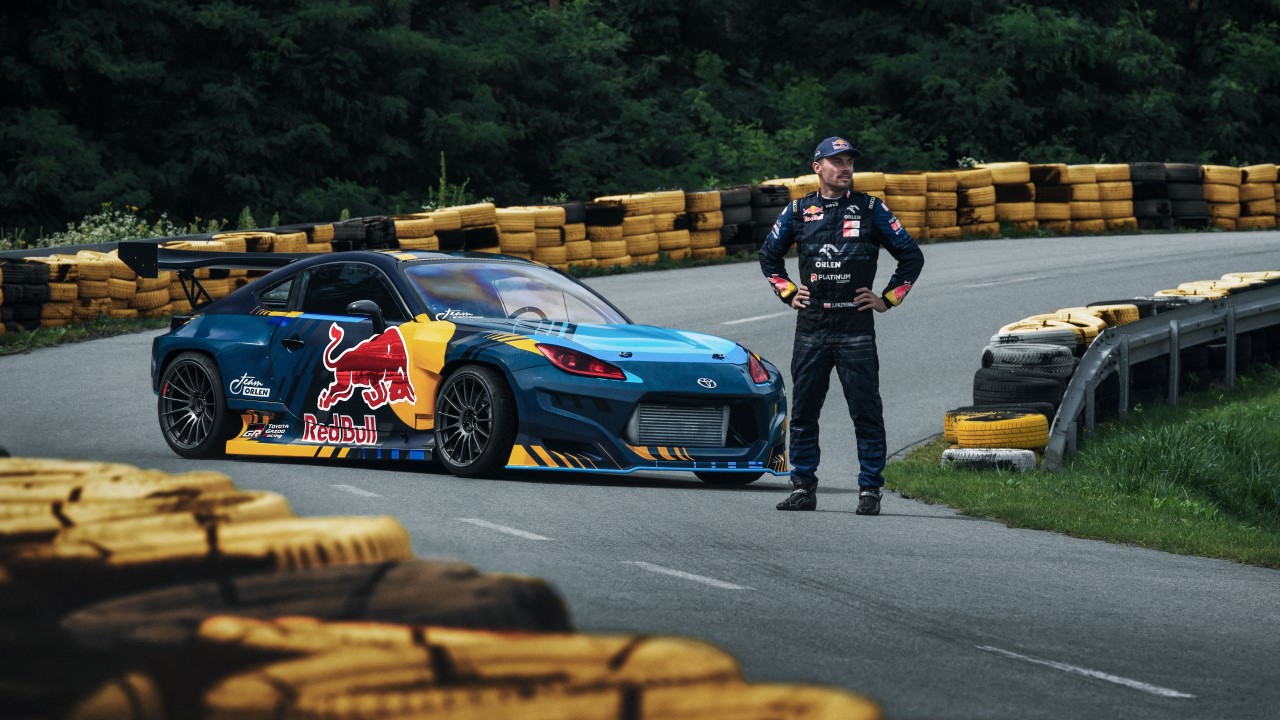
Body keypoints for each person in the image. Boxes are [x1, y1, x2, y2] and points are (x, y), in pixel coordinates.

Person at [759, 136, 924, 515]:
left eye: (849, 161)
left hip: (855, 329)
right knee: (804, 412)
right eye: (837, 161)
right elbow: (769, 257)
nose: (845, 167)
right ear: (818, 168)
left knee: (866, 411)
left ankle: (870, 489)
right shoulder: (798, 210)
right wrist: (787, 291)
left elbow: (911, 257)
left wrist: (887, 299)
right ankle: (803, 487)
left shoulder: (871, 208)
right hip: (812, 328)